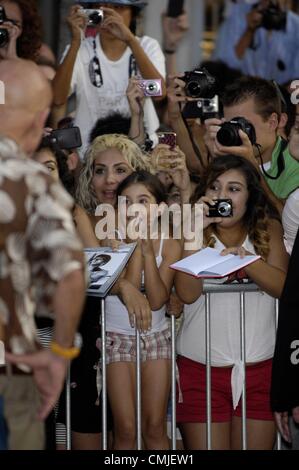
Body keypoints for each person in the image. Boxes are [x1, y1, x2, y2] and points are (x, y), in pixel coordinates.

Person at [174, 155, 288, 450]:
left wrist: (247, 261)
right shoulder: (191, 232)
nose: (222, 196)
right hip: (201, 370)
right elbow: (187, 294)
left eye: (234, 189)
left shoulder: (268, 230)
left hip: (260, 369)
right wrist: (191, 234)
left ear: (251, 197)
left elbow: (283, 287)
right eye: (214, 187)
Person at [0, 59, 86, 450]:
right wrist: (60, 352)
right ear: (40, 121)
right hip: (11, 366)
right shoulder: (30, 181)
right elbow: (70, 273)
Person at [96, 170, 181, 450]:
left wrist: (146, 253)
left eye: (143, 200)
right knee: (126, 428)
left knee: (155, 426)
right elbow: (128, 291)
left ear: (160, 207)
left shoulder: (169, 242)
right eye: (127, 201)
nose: (134, 208)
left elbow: (156, 300)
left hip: (157, 336)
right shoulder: (108, 238)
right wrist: (133, 248)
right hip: (116, 337)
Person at [53, 0, 166, 155]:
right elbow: (57, 98)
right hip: (89, 152)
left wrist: (130, 40)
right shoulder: (79, 49)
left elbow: (159, 94)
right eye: (101, 7)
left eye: (118, 8)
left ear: (133, 13)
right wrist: (75, 42)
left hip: (141, 149)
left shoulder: (147, 46)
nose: (109, 14)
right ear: (89, 13)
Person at [204, 76, 299, 214]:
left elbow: (289, 225)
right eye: (230, 125)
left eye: (242, 124)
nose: (235, 132)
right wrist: (216, 162)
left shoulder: (294, 163)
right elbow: (217, 214)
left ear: (273, 122)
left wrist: (252, 168)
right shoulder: (228, 157)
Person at [213, 0, 299, 84]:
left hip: (281, 94)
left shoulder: (296, 26)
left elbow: (296, 78)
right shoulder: (239, 14)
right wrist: (249, 31)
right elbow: (226, 65)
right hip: (243, 91)